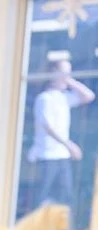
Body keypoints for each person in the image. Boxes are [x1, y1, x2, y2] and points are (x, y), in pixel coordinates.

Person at [29, 58, 95, 211]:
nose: (66, 76)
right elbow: (48, 127)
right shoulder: (45, 98)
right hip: (47, 156)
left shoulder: (64, 97)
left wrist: (70, 81)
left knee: (66, 196)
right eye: (63, 72)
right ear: (53, 73)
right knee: (41, 197)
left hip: (62, 155)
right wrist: (70, 145)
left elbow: (88, 96)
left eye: (69, 72)